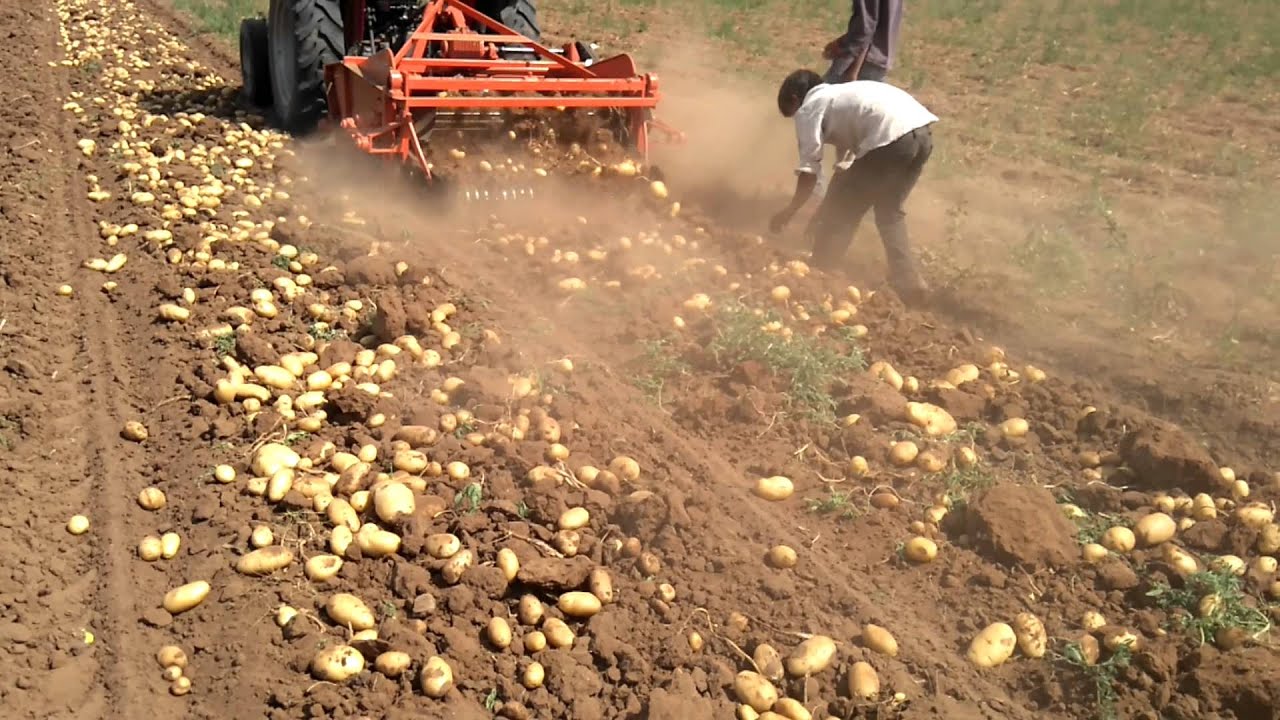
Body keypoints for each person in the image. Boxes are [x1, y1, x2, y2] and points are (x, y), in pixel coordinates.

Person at [769, 69, 937, 305]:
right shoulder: (843, 98)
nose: (796, 121)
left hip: (890, 138)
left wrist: (789, 211)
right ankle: (910, 284)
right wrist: (821, 210)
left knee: (845, 210)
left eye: (792, 114)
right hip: (922, 136)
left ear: (796, 99)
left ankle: (820, 273)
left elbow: (809, 172)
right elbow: (847, 171)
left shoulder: (809, 108)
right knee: (889, 213)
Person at [822, 0, 903, 84]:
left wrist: (852, 72)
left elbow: (865, 28)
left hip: (860, 63)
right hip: (878, 62)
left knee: (821, 94)